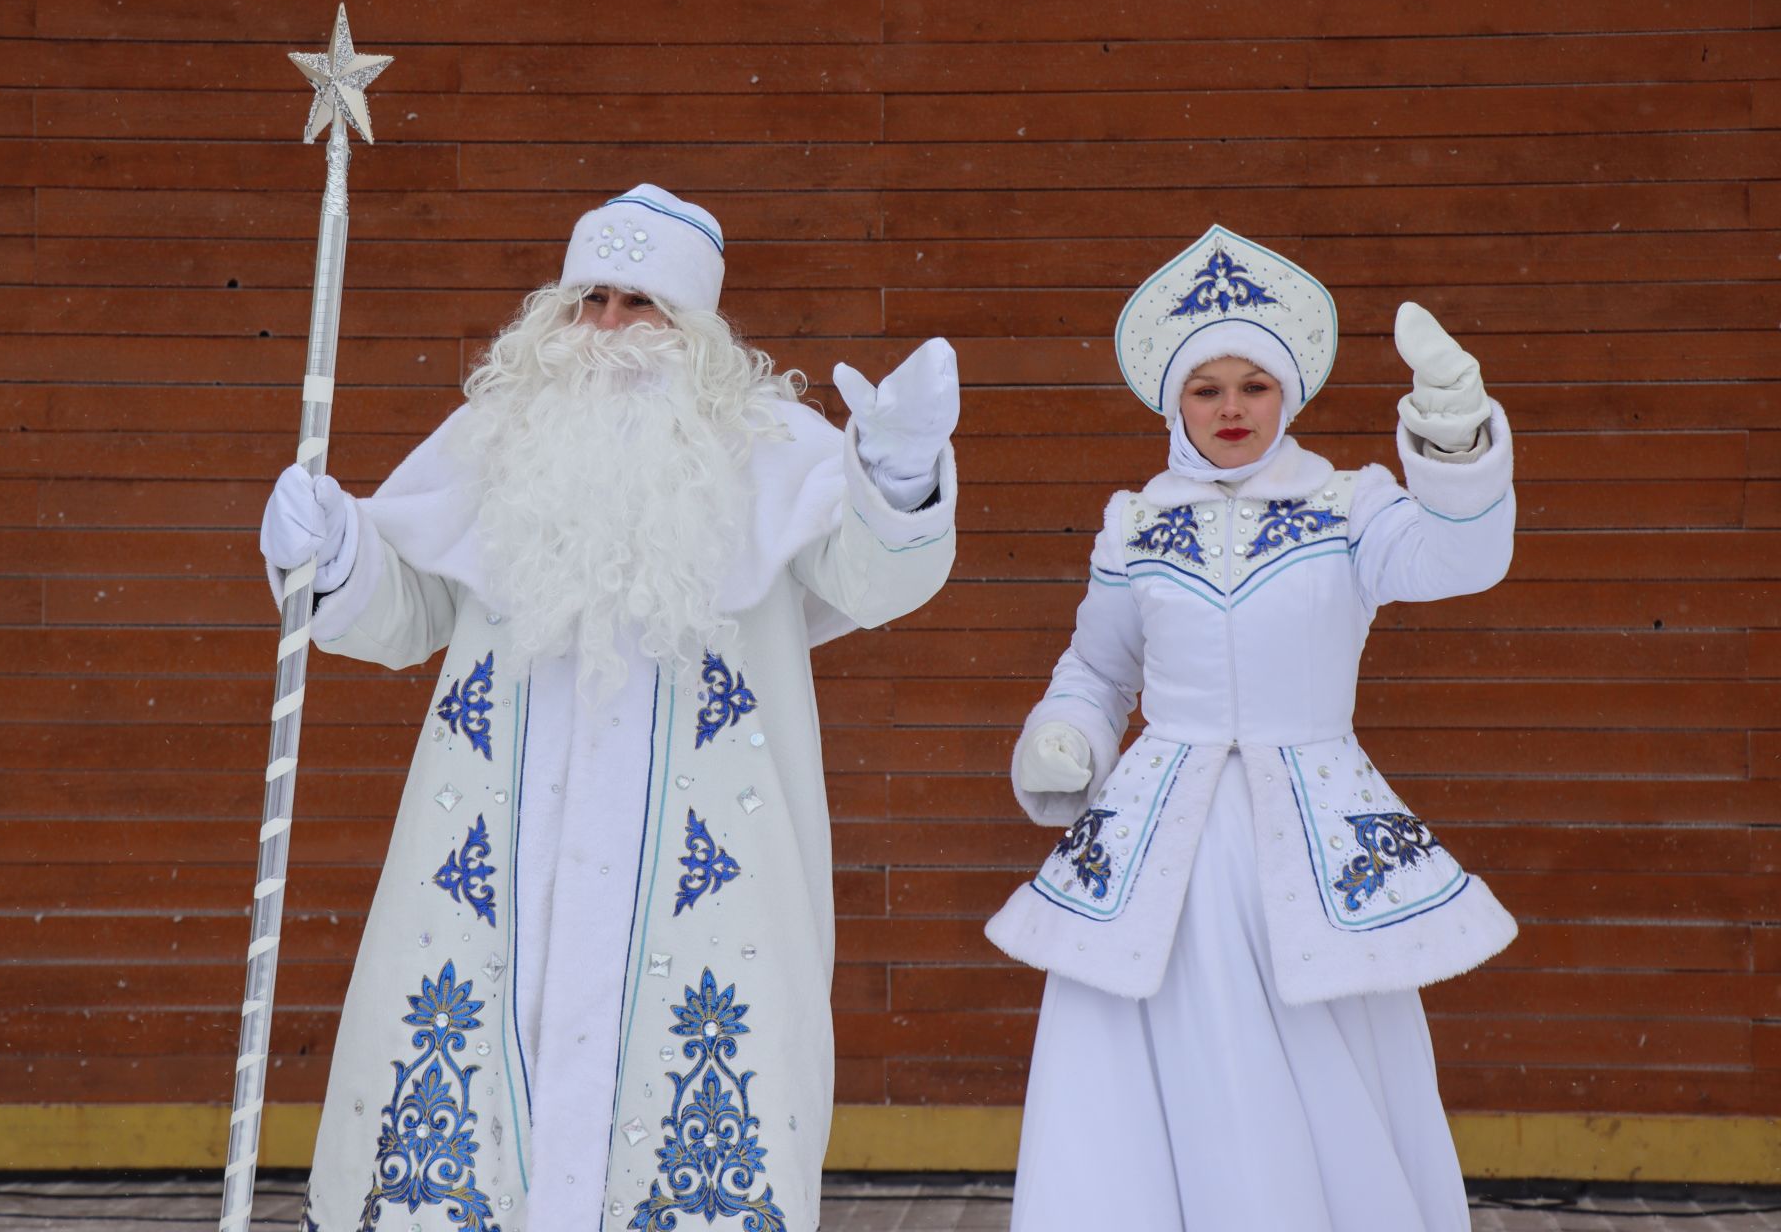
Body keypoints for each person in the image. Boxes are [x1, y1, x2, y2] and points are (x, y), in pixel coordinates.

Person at [260, 185, 960, 1232]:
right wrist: (335, 548)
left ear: (697, 329)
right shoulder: (497, 437)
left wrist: (897, 475)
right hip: (498, 874)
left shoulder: (772, 447)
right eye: (592, 300)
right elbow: (405, 614)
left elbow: (869, 577)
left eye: (642, 303)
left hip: (701, 885)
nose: (610, 327)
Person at [985, 225, 1517, 1231]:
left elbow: (1461, 560)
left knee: (1320, 1067)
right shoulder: (1137, 522)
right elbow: (1098, 667)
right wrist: (1068, 733)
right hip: (1160, 848)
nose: (1231, 408)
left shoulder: (1352, 504)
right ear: (1174, 403)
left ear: (1289, 395)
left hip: (1314, 847)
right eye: (1207, 388)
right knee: (1144, 1058)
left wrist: (1454, 439)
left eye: (1254, 385)